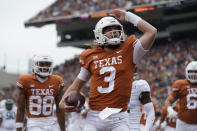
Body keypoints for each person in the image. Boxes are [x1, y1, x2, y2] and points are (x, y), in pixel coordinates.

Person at [59, 9, 157, 131]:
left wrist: (128, 16)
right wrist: (62, 101)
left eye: (116, 29)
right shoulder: (90, 56)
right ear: (99, 34)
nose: (114, 32)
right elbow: (77, 84)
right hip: (95, 116)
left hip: (119, 117)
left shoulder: (129, 50)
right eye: (109, 30)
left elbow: (151, 32)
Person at [15, 54, 65, 131]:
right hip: (34, 123)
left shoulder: (57, 81)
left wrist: (63, 129)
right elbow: (20, 109)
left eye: (47, 64)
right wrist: (18, 129)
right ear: (35, 65)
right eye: (42, 64)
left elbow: (60, 109)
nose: (45, 67)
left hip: (51, 122)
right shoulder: (25, 80)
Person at [165, 61, 197, 131]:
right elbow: (168, 101)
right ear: (186, 72)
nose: (193, 74)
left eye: (196, 72)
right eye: (191, 72)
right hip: (183, 124)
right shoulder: (180, 84)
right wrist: (170, 110)